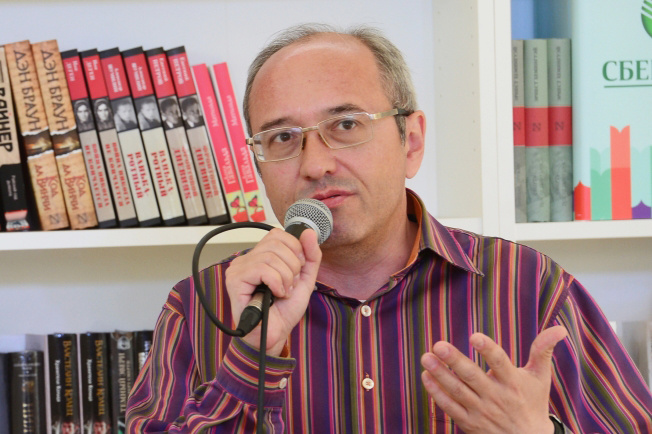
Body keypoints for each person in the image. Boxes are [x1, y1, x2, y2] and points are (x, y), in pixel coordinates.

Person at [126, 24, 652, 433]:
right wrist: (251, 357)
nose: (315, 164)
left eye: (346, 125)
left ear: (412, 142)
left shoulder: (529, 286)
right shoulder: (199, 306)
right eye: (283, 137)